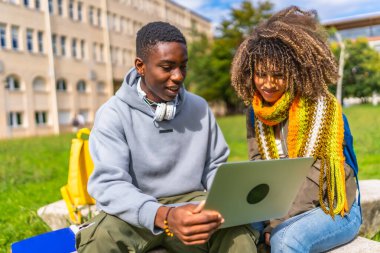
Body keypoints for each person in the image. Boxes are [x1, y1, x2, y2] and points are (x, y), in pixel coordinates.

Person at [75, 21, 259, 253]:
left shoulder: (199, 107)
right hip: (135, 211)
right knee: (99, 239)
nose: (179, 76)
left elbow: (215, 167)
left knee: (238, 234)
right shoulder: (112, 113)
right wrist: (164, 216)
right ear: (140, 66)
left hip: (193, 204)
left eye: (183, 66)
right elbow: (109, 184)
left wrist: (225, 201)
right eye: (167, 67)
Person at [230, 6, 361, 253]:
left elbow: (315, 182)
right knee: (231, 229)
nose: (267, 84)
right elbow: (258, 165)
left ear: (295, 72)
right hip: (277, 204)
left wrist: (276, 223)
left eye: (278, 75)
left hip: (332, 206)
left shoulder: (322, 110)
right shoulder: (255, 112)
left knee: (285, 240)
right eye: (261, 74)